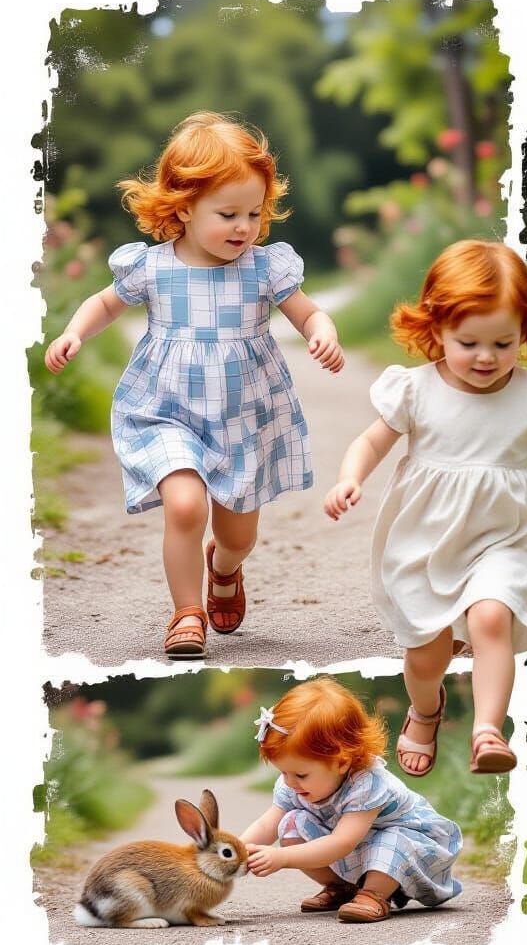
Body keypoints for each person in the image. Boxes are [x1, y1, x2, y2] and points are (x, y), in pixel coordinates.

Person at [44, 112, 343, 657]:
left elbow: (307, 312)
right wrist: (74, 333)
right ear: (183, 207)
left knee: (238, 536)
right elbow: (105, 303)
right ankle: (187, 613)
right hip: (166, 408)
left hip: (242, 415)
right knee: (184, 506)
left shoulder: (262, 269)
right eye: (227, 213)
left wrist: (323, 332)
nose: (243, 227)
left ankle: (223, 568)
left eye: (253, 213)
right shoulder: (152, 267)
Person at [324, 239, 527, 775]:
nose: (486, 358)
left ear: (525, 334)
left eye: (503, 343)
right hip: (428, 537)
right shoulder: (415, 391)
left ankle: (489, 730)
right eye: (468, 343)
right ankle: (425, 709)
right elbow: (371, 442)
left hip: (508, 535)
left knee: (492, 617)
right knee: (426, 652)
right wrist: (351, 477)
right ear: (436, 329)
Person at [242, 677, 462, 922]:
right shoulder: (294, 783)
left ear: (342, 762)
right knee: (291, 823)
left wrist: (281, 858)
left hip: (410, 848)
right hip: (363, 846)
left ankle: (374, 893)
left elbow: (342, 843)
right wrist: (234, 852)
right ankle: (343, 888)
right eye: (283, 772)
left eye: (301, 774)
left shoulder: (367, 784)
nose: (290, 782)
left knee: (393, 839)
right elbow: (267, 825)